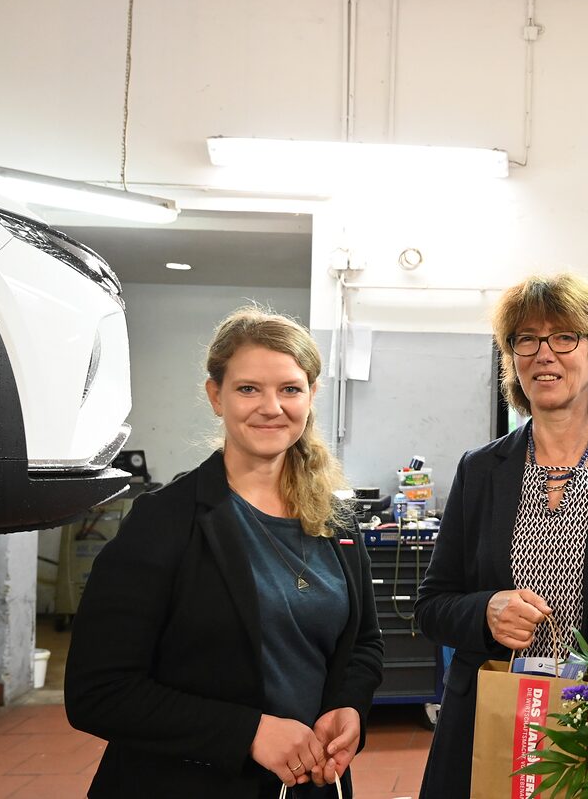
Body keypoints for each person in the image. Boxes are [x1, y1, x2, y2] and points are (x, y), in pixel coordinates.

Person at [65, 307, 383, 799]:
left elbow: (363, 643)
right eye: (248, 388)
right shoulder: (165, 522)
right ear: (217, 396)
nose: (271, 406)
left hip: (310, 785)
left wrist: (349, 706)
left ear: (311, 395)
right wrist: (248, 732)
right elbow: (98, 692)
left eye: (290, 389)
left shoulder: (336, 521)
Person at [417, 272, 588, 799]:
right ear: (513, 360)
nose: (545, 354)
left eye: (564, 337)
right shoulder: (481, 470)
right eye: (527, 339)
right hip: (491, 713)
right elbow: (432, 604)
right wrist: (486, 610)